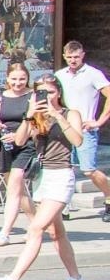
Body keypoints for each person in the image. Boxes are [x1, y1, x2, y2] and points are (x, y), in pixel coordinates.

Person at [0, 74, 87, 280]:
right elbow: (20, 141)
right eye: (41, 93)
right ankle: (76, 278)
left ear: (58, 93)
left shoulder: (70, 114)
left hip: (62, 175)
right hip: (43, 177)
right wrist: (29, 116)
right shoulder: (36, 117)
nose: (47, 97)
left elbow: (77, 140)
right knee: (56, 232)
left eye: (50, 92)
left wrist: (57, 116)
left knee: (35, 228)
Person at [54, 40, 110, 222]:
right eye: (69, 57)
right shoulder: (59, 75)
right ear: (64, 56)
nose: (73, 60)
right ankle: (64, 206)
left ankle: (109, 198)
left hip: (86, 129)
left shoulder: (93, 74)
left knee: (88, 170)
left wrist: (99, 121)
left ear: (83, 55)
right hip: (65, 128)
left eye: (76, 57)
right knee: (65, 169)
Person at [0, 62, 36, 246]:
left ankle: (4, 233)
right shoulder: (0, 97)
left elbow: (39, 125)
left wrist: (19, 135)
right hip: (6, 145)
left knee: (15, 185)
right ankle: (36, 226)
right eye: (14, 79)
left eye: (22, 79)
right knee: (18, 190)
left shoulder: (32, 96)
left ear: (27, 78)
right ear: (7, 78)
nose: (18, 83)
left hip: (27, 144)